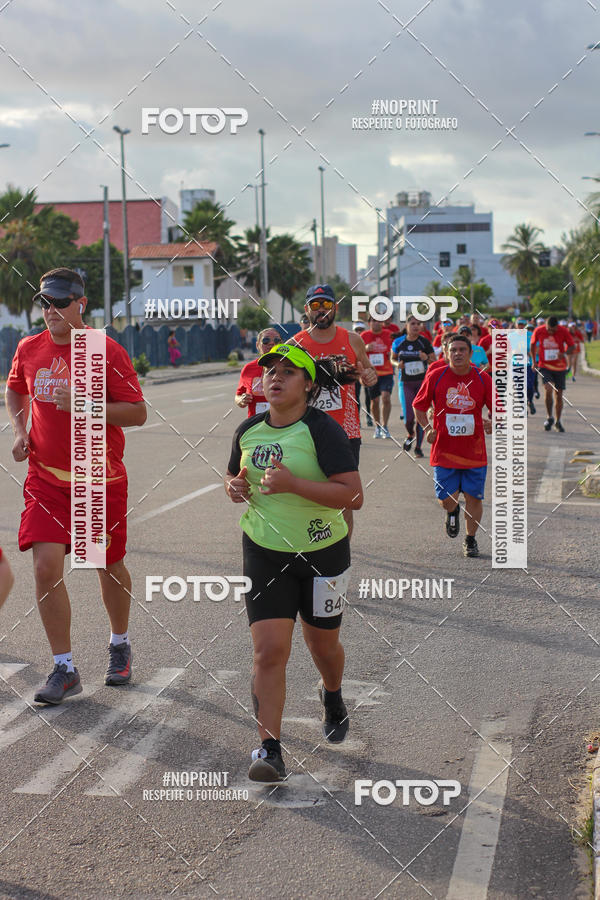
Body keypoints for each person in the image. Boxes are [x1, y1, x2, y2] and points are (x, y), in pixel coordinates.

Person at [6, 268, 147, 704]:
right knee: (45, 566)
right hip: (45, 478)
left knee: (104, 566)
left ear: (80, 304)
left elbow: (138, 413)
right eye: (45, 303)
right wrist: (20, 428)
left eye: (60, 303)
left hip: (96, 479)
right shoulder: (30, 347)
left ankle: (119, 642)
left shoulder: (103, 350)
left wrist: (88, 404)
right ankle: (64, 668)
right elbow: (14, 390)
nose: (51, 311)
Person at [225, 342, 363, 782]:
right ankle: (269, 750)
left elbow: (354, 495)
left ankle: (333, 693)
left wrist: (294, 485)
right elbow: (236, 477)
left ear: (308, 385)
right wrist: (235, 489)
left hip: (323, 551)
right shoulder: (248, 430)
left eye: (288, 371)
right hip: (264, 550)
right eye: (270, 371)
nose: (275, 377)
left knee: (322, 646)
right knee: (268, 651)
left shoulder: (323, 431)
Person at [292, 285, 377, 537]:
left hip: (345, 431)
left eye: (326, 305)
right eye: (315, 306)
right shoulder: (295, 344)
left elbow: (367, 372)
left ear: (335, 308)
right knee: (308, 494)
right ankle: (311, 545)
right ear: (307, 310)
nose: (321, 311)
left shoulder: (352, 339)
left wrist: (369, 377)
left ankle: (341, 552)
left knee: (344, 495)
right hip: (305, 430)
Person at [413, 333, 493, 559]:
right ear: (446, 354)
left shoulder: (482, 378)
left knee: (474, 498)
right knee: (446, 500)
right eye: (453, 350)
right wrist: (427, 428)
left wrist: (493, 422)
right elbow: (419, 406)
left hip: (474, 452)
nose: (458, 353)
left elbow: (499, 407)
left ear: (470, 354)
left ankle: (470, 539)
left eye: (462, 350)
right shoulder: (437, 376)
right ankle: (453, 510)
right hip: (444, 450)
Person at [390, 315, 435, 456]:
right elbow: (392, 358)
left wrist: (426, 358)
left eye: (419, 323)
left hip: (421, 384)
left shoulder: (424, 342)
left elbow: (434, 361)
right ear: (407, 326)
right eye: (413, 323)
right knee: (409, 417)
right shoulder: (398, 342)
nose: (416, 326)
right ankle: (410, 434)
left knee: (420, 415)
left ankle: (418, 448)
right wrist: (398, 364)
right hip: (406, 383)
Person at [530, 315, 575, 432]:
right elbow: (533, 345)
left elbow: (572, 346)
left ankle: (558, 421)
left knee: (559, 395)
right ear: (546, 325)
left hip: (560, 367)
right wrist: (534, 362)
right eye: (549, 329)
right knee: (548, 388)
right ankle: (549, 416)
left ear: (557, 327)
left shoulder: (563, 331)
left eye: (553, 330)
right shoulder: (538, 330)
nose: (550, 332)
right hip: (545, 366)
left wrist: (564, 353)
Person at [360, 315, 395, 438]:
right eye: (373, 320)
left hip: (386, 372)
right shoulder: (364, 336)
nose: (376, 323)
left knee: (386, 397)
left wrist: (391, 353)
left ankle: (385, 426)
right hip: (372, 373)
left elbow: (394, 350)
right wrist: (365, 348)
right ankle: (377, 426)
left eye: (379, 320)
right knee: (374, 401)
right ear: (369, 323)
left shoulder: (389, 334)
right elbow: (357, 353)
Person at [235, 327, 281, 417]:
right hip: (256, 425)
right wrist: (241, 400)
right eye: (266, 340)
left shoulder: (289, 367)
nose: (272, 343)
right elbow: (238, 396)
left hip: (284, 424)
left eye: (276, 340)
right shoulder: (248, 368)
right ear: (257, 345)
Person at [353, 321, 372, 427]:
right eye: (357, 330)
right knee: (356, 396)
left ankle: (369, 416)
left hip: (366, 371)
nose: (359, 332)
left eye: (361, 330)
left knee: (368, 396)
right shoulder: (351, 340)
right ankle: (357, 418)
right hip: (355, 371)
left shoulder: (368, 338)